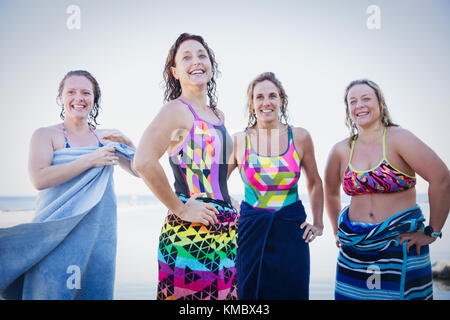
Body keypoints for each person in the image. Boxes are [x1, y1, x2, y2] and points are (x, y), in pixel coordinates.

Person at [0, 70, 138, 299]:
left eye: (86, 92)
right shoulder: (46, 135)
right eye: (71, 92)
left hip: (97, 236)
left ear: (94, 99)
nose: (79, 98)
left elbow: (140, 171)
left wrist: (128, 142)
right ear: (61, 98)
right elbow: (39, 179)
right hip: (57, 233)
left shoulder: (105, 138)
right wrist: (90, 160)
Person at [324, 79, 450, 300]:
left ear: (380, 103)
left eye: (366, 98)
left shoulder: (399, 138)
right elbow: (331, 191)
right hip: (355, 250)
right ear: (348, 110)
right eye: (352, 101)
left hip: (400, 244)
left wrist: (432, 232)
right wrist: (336, 231)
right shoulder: (341, 150)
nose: (359, 105)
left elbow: (441, 179)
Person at [134, 33, 238, 300]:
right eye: (187, 57)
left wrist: (228, 199)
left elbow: (214, 173)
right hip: (190, 233)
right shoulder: (175, 111)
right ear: (175, 71)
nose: (196, 62)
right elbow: (143, 162)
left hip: (226, 230)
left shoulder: (218, 116)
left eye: (202, 55)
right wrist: (180, 207)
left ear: (212, 65)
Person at [227, 72, 324, 299]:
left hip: (292, 232)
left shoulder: (299, 137)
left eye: (272, 95)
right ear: (252, 104)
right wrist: (236, 207)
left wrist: (318, 224)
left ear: (281, 99)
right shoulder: (239, 140)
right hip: (250, 232)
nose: (266, 102)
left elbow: (315, 182)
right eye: (259, 97)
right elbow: (217, 182)